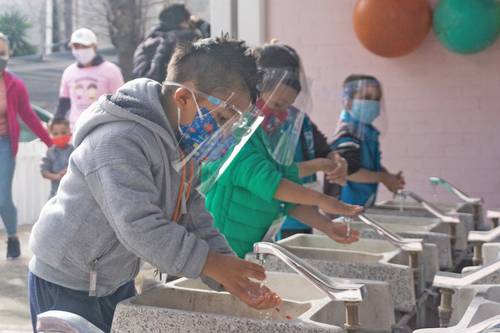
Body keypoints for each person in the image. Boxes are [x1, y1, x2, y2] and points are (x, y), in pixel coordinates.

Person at [28, 36, 281, 333]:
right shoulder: (117, 141)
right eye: (223, 117)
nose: (224, 133)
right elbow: (139, 225)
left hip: (113, 279)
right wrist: (208, 263)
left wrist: (227, 271)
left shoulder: (181, 144)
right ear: (184, 98)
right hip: (66, 279)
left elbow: (192, 213)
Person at [203, 43, 362, 259]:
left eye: (288, 107)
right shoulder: (234, 138)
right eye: (277, 104)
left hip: (244, 253)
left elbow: (287, 202)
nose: (283, 114)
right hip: (216, 253)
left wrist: (326, 226)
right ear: (250, 95)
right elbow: (273, 184)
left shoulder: (272, 142)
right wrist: (322, 200)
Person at [253, 43, 349, 240]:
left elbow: (323, 147)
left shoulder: (297, 118)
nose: (282, 111)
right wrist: (318, 165)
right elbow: (272, 176)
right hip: (271, 218)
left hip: (305, 214)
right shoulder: (249, 129)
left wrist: (337, 161)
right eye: (277, 103)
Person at [0, 32, 52, 260]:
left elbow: (29, 116)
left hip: (3, 145)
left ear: (9, 54)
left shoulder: (14, 85)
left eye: (2, 53)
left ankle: (12, 237)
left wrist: (52, 143)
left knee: (2, 196)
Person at [325, 75, 405, 207]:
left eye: (376, 99)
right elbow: (349, 171)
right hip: (343, 209)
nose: (372, 103)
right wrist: (383, 178)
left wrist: (389, 178)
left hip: (361, 206)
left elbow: (369, 165)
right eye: (366, 98)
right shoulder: (347, 133)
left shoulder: (369, 132)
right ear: (349, 102)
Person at [54, 28, 124, 130]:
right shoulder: (69, 72)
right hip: (76, 128)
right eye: (76, 47)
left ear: (94, 47)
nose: (80, 50)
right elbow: (64, 102)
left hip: (102, 128)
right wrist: (57, 120)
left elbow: (120, 101)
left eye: (84, 46)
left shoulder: (111, 70)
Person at [133, 4, 201, 82]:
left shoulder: (146, 42)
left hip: (144, 89)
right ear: (183, 22)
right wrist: (200, 23)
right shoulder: (185, 37)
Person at [40, 118, 74, 198]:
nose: (60, 136)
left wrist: (68, 170)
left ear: (70, 132)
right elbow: (44, 171)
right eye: (55, 134)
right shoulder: (50, 152)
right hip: (56, 194)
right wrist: (56, 176)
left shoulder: (75, 150)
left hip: (73, 193)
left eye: (63, 132)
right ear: (50, 135)